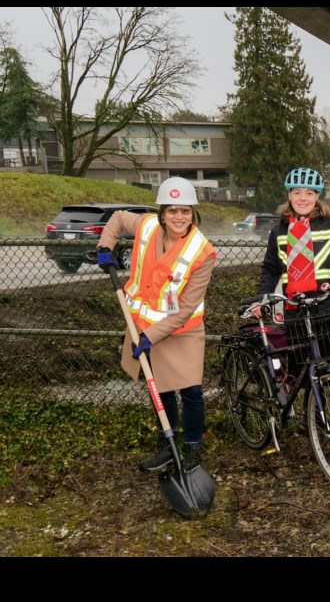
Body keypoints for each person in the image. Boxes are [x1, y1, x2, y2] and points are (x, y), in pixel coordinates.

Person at [95, 177, 217, 473]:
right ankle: (167, 443)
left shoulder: (202, 252)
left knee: (190, 391)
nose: (179, 217)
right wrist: (105, 245)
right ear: (162, 212)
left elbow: (186, 307)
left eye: (185, 211)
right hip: (143, 324)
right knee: (158, 387)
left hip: (182, 331)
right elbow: (120, 218)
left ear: (193, 214)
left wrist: (151, 336)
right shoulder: (148, 226)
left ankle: (192, 449)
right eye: (172, 210)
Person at [253, 167, 330, 389]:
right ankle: (315, 422)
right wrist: (262, 297)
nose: (302, 198)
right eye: (297, 192)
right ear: (289, 195)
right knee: (305, 378)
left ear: (317, 197)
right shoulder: (278, 231)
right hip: (296, 312)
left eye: (309, 193)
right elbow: (270, 269)